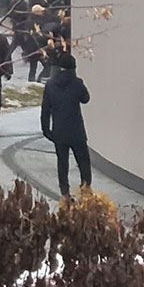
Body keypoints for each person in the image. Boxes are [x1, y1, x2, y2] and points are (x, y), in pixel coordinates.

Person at [40, 55, 92, 199]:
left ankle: (65, 193)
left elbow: (45, 109)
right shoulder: (77, 83)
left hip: (59, 131)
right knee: (83, 161)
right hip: (76, 131)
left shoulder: (50, 85)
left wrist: (46, 130)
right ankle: (85, 190)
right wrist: (80, 84)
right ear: (73, 68)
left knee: (62, 163)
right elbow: (86, 99)